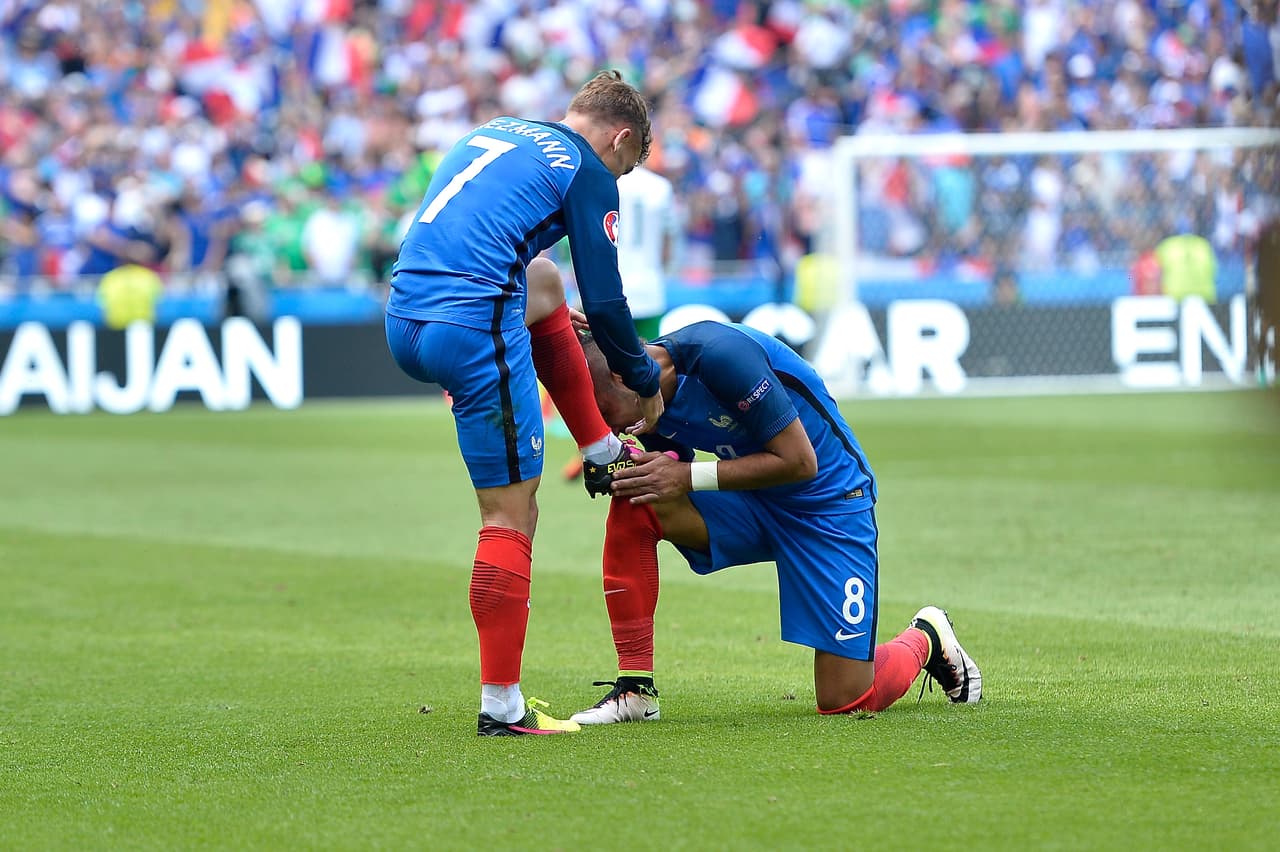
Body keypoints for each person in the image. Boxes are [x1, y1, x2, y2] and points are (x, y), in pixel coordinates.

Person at [384, 71, 665, 737]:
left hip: (405, 316)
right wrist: (644, 382)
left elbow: (540, 278)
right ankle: (502, 707)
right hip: (470, 324)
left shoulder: (498, 132)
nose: (615, 181)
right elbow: (605, 301)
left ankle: (598, 448)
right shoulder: (587, 168)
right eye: (624, 168)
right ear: (620, 138)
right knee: (512, 512)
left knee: (540, 280)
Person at [559, 301, 982, 722]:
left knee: (846, 698)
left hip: (827, 506)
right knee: (638, 498)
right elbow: (672, 460)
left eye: (602, 410)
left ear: (622, 376)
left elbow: (800, 462)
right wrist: (631, 464)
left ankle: (926, 636)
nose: (605, 426)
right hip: (753, 499)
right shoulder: (644, 398)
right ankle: (636, 691)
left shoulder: (720, 355)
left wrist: (685, 476)